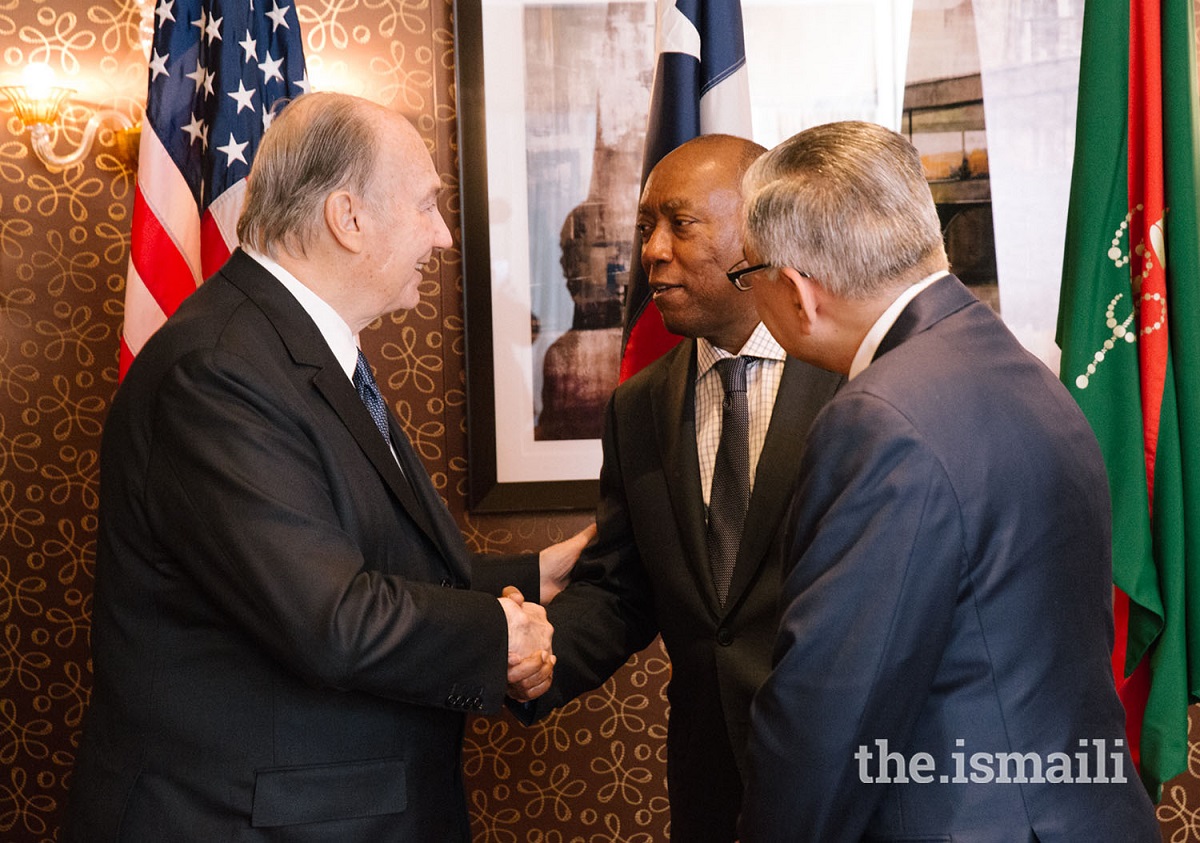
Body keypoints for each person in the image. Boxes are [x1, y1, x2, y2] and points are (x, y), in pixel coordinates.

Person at [64, 92, 592, 842]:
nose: (442, 237)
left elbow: (357, 556)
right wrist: (497, 634)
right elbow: (330, 616)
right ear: (348, 219)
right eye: (426, 207)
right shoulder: (221, 370)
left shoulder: (285, 348)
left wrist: (537, 572)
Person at [735, 120, 1160, 841]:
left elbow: (827, 718)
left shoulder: (877, 418)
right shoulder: (1028, 373)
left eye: (746, 274)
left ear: (798, 292)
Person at [512, 134, 843, 842]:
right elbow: (622, 589)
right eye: (644, 229)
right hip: (709, 789)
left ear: (757, 229)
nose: (652, 250)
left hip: (846, 777)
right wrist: (534, 660)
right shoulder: (637, 406)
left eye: (680, 224)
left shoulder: (855, 383)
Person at [536, 200, 625, 441]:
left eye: (618, 243)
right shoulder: (560, 355)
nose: (617, 253)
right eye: (604, 243)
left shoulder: (638, 342)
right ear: (575, 262)